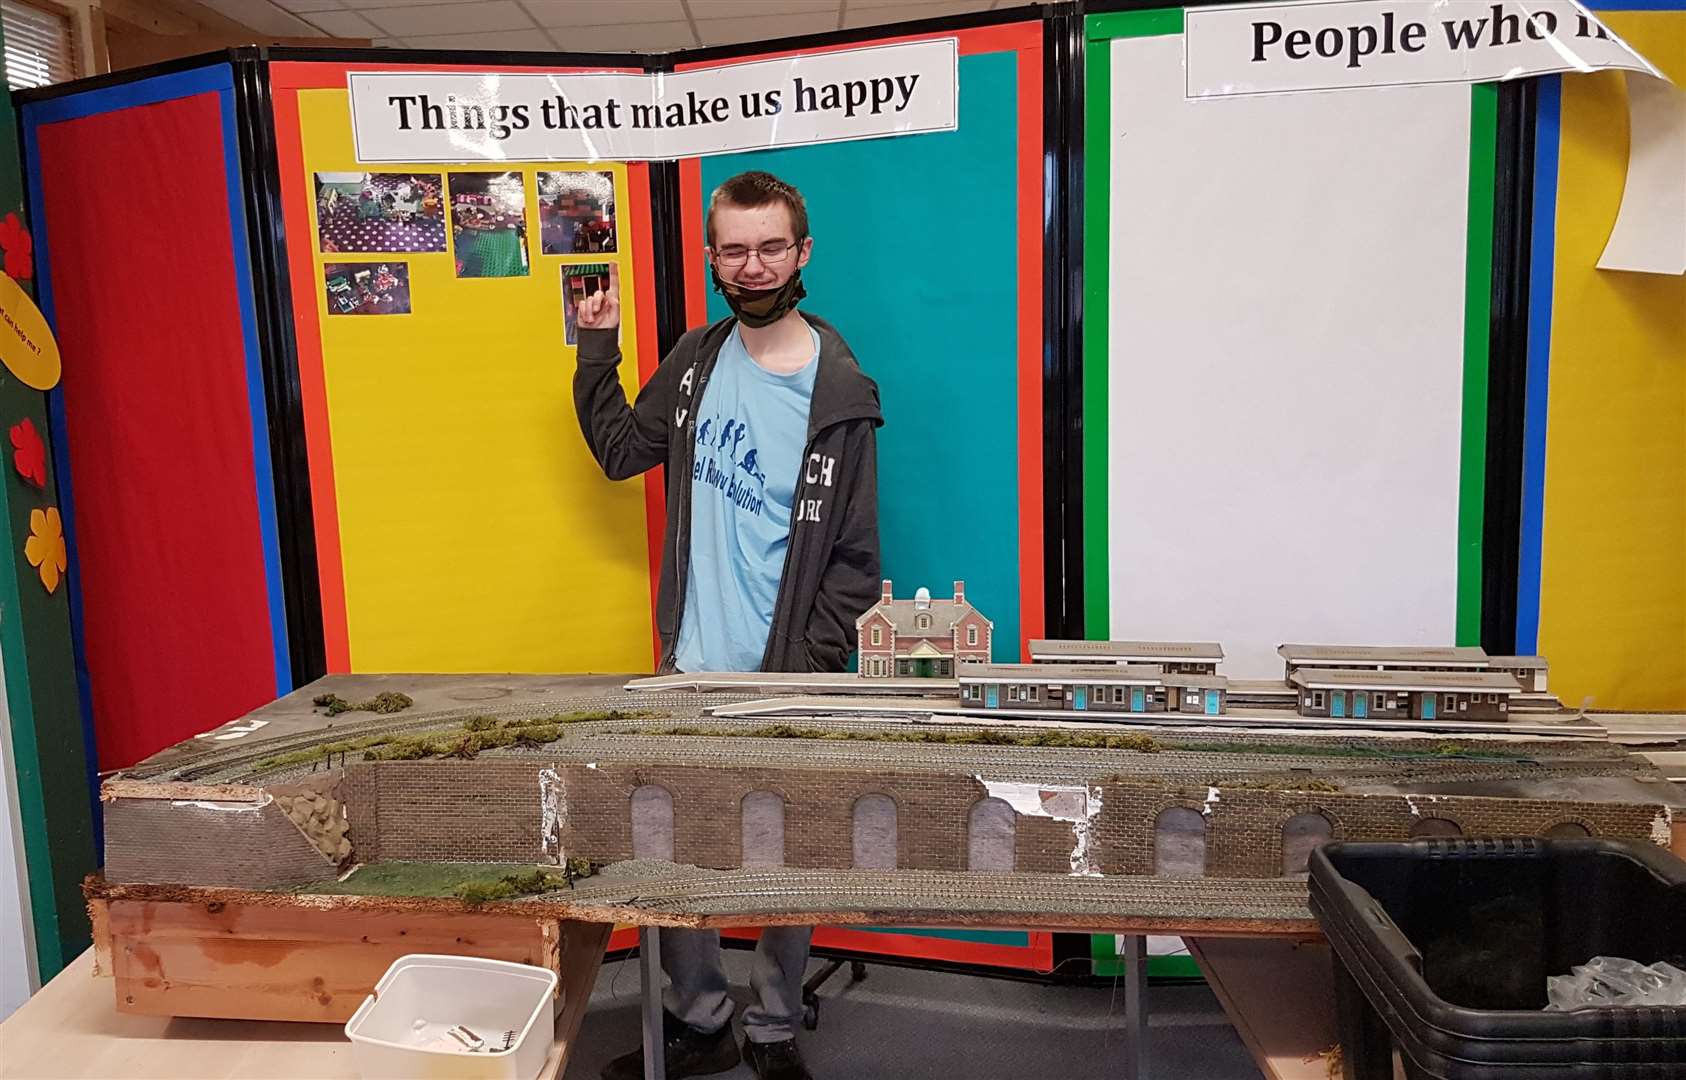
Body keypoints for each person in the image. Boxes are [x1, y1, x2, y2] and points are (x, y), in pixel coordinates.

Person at [573, 171, 883, 1080]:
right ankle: (702, 1018)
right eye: (735, 250)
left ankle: (776, 1027)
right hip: (691, 667)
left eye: (772, 247)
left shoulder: (842, 392)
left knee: (792, 858)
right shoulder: (698, 361)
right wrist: (598, 349)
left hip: (791, 673)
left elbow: (856, 560)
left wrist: (812, 670)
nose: (754, 267)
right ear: (713, 257)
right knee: (675, 857)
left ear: (804, 252)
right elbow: (624, 452)